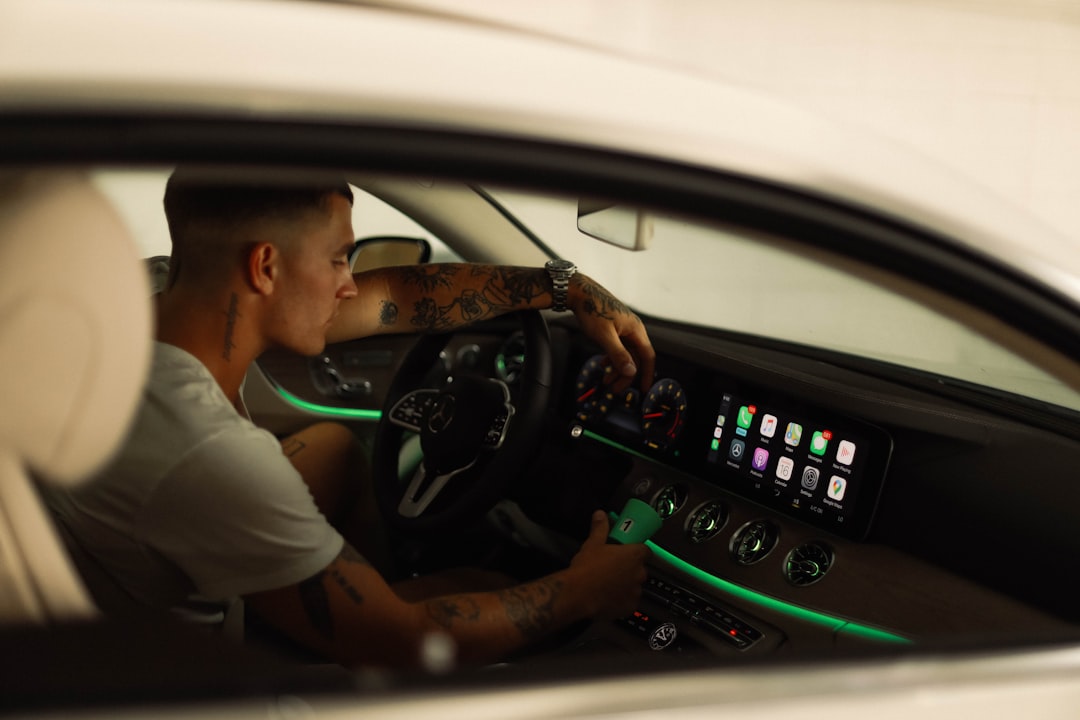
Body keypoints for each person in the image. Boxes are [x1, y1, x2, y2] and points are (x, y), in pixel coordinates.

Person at [45, 169, 656, 670]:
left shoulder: (154, 291)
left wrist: (565, 286)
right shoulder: (206, 450)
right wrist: (584, 591)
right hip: (188, 681)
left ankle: (364, 587)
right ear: (265, 267)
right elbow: (411, 640)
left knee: (335, 445)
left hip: (124, 602)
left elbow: (397, 297)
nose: (348, 282)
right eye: (339, 258)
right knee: (483, 589)